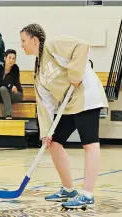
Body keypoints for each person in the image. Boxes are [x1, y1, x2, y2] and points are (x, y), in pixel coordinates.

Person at [19, 23, 108, 209]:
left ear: (35, 40)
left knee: (89, 143)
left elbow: (81, 46)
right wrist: (46, 131)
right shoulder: (39, 72)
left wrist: (74, 75)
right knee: (54, 143)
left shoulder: (53, 45)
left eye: (23, 41)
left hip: (86, 95)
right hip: (68, 105)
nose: (22, 45)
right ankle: (68, 189)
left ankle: (87, 194)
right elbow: (45, 104)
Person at [0, 49, 23, 120]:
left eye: (13, 58)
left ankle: (9, 114)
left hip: (16, 93)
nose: (11, 60)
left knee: (3, 88)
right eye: (9, 57)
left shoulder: (15, 68)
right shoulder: (0, 68)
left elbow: (11, 82)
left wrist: (8, 85)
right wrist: (9, 85)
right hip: (3, 93)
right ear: (5, 58)